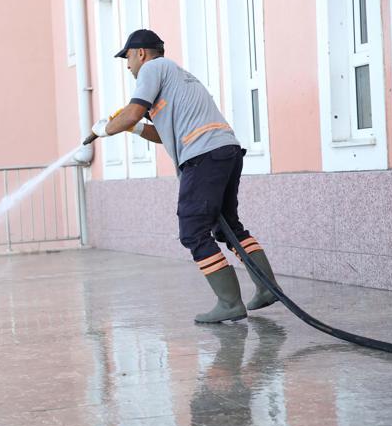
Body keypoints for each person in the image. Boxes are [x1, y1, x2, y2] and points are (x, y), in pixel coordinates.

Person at [84, 29, 281, 323]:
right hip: (224, 151)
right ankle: (267, 289)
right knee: (227, 227)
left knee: (192, 230)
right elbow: (164, 134)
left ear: (141, 53)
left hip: (203, 157)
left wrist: (105, 129)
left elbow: (133, 111)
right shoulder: (177, 78)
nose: (127, 66)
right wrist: (134, 128)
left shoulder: (153, 68)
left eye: (127, 58)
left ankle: (229, 303)